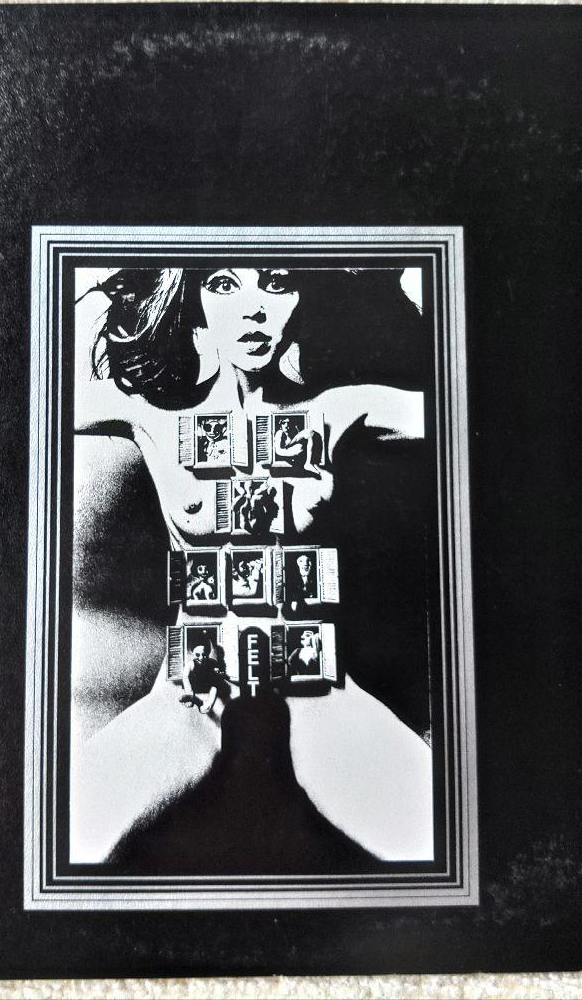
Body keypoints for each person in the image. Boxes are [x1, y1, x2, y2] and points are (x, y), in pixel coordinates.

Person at [69, 266, 433, 864]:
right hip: (189, 699)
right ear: (189, 302)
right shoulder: (150, 414)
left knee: (438, 839)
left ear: (302, 298)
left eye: (277, 282)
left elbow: (474, 406)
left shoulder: (338, 410)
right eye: (223, 284)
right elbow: (11, 385)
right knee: (60, 840)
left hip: (318, 696)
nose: (255, 307)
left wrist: (410, 286)